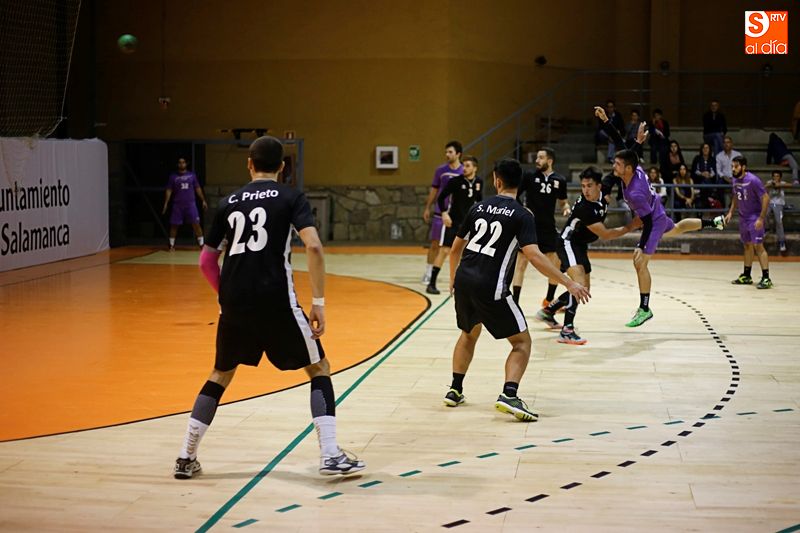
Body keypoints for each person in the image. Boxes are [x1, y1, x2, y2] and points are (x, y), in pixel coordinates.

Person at [174, 136, 365, 479]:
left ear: (249, 164)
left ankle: (186, 457)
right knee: (319, 367)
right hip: (276, 298)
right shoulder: (291, 196)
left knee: (220, 373)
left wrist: (227, 294)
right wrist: (318, 303)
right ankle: (330, 454)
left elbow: (206, 260)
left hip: (234, 302)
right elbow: (314, 247)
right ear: (283, 167)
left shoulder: (229, 202)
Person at [442, 158, 590, 420]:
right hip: (491, 285)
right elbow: (534, 256)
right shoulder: (523, 215)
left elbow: (455, 249)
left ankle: (454, 389)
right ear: (519, 185)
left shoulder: (479, 206)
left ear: (496, 181)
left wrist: (453, 279)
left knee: (468, 333)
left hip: (464, 279)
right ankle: (510, 394)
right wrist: (569, 282)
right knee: (522, 342)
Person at [612, 147, 725, 327]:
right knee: (679, 228)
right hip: (659, 213)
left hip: (655, 221)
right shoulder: (637, 170)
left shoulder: (635, 192)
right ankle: (714, 223)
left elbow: (647, 222)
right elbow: (627, 151)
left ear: (627, 168)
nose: (614, 166)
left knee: (640, 263)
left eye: (617, 164)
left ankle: (645, 309)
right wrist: (608, 123)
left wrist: (641, 246)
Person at [535, 167, 639, 345]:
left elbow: (621, 165)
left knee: (584, 289)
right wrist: (631, 226)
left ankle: (548, 311)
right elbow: (606, 235)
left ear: (599, 186)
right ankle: (567, 330)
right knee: (578, 285)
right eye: (583, 186)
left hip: (580, 245)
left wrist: (637, 144)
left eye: (589, 186)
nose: (586, 190)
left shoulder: (605, 187)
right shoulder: (585, 207)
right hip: (568, 242)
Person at [511, 147, 570, 308]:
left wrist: (566, 207)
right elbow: (514, 195)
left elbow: (563, 201)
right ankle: (515, 302)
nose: (537, 160)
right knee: (521, 263)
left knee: (555, 263)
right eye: (537, 157)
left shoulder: (559, 180)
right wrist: (522, 210)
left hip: (548, 227)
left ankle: (549, 299)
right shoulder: (529, 176)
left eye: (541, 157)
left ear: (549, 161)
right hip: (529, 226)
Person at [426, 155, 483, 294]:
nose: (464, 168)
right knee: (445, 251)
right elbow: (441, 198)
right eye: (463, 165)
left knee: (468, 254)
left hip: (469, 223)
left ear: (475, 168)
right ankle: (431, 283)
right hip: (453, 221)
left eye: (468, 165)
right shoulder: (455, 182)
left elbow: (479, 200)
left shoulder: (479, 182)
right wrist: (444, 213)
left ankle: (464, 284)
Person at [725, 156, 772, 289]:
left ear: (743, 167)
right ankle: (746, 275)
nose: (733, 169)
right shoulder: (735, 180)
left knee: (759, 246)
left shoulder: (753, 180)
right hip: (743, 217)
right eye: (732, 167)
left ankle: (766, 278)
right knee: (747, 245)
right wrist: (730, 212)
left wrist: (761, 218)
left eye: (736, 166)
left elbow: (766, 198)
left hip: (754, 217)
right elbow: (735, 196)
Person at [422, 141, 464, 284]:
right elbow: (434, 190)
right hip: (441, 212)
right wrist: (428, 207)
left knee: (455, 247)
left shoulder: (464, 171)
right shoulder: (441, 170)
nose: (447, 155)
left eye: (450, 152)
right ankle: (428, 272)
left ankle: (457, 275)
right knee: (435, 244)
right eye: (446, 152)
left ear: (458, 154)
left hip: (456, 215)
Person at [162, 157, 208, 250]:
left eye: (183, 162)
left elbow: (197, 188)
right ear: (177, 164)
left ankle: (202, 244)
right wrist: (166, 203)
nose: (181, 164)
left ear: (186, 164)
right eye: (180, 162)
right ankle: (171, 245)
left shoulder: (192, 176)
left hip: (190, 204)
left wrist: (203, 200)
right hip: (177, 204)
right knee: (174, 225)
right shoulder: (173, 177)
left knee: (196, 223)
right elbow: (169, 190)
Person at [766, 170, 790, 253]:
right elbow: (763, 187)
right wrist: (771, 184)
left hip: (778, 204)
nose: (776, 177)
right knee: (764, 215)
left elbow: (790, 185)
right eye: (774, 176)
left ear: (780, 177)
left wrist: (780, 185)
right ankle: (766, 229)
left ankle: (782, 242)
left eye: (777, 176)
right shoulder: (769, 182)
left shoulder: (783, 182)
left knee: (779, 221)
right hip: (770, 203)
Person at [716, 136, 742, 208]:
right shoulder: (719, 156)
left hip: (735, 176)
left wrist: (734, 177)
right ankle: (722, 206)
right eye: (724, 142)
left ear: (731, 144)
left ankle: (732, 205)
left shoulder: (738, 155)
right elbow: (718, 170)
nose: (726, 144)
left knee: (740, 183)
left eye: (728, 142)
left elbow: (740, 168)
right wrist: (725, 178)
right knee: (719, 185)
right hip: (724, 178)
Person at [691, 143, 719, 210]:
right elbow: (694, 170)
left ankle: (702, 203)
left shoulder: (712, 160)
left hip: (710, 180)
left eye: (707, 148)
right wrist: (702, 174)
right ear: (701, 149)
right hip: (699, 180)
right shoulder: (697, 159)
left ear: (710, 150)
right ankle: (708, 201)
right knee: (704, 183)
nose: (705, 149)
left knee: (706, 182)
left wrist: (709, 175)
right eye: (704, 148)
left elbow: (714, 172)